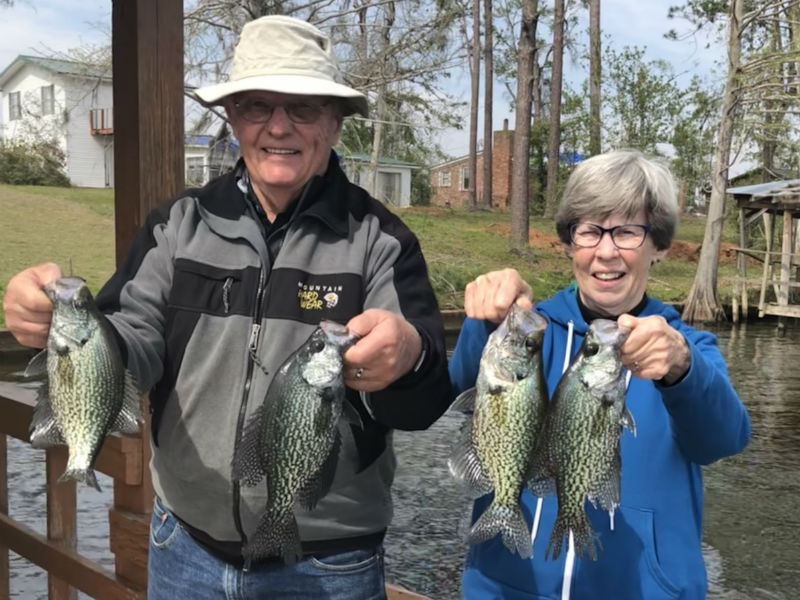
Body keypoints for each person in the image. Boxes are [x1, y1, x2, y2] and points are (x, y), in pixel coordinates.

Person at [3, 15, 450, 600]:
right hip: (183, 547)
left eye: (304, 108)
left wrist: (409, 355)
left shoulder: (380, 239)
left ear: (335, 124)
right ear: (232, 118)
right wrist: (65, 332)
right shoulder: (176, 226)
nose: (278, 127)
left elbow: (422, 404)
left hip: (328, 563)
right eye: (257, 106)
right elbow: (131, 344)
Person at [449, 150, 751, 600]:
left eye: (627, 231)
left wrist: (683, 369)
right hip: (507, 589)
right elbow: (457, 389)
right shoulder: (532, 332)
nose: (606, 251)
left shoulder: (688, 350)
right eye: (590, 230)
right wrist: (486, 320)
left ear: (659, 245)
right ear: (571, 241)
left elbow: (723, 440)